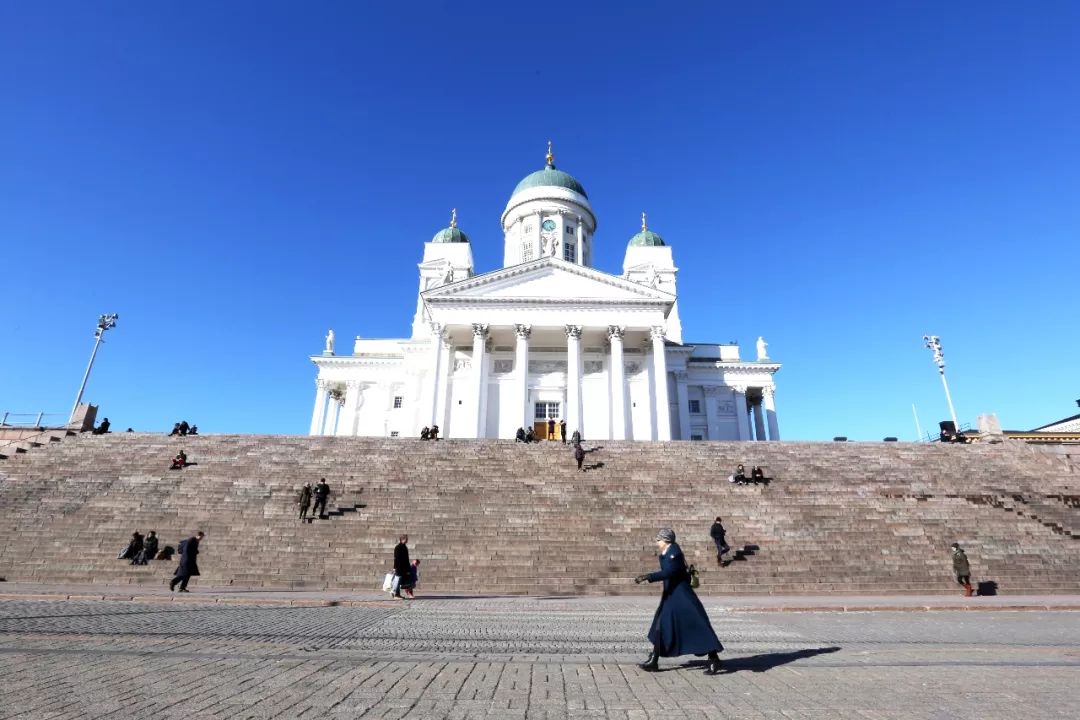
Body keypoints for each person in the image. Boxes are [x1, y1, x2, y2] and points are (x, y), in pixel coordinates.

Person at [634, 528, 723, 674]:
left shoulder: (674, 553)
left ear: (666, 540)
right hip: (672, 597)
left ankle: (713, 658)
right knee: (660, 626)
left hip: (682, 598)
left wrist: (648, 577)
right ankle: (654, 659)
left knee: (697, 626)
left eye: (659, 539)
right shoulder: (668, 552)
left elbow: (670, 572)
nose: (657, 542)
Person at [391, 534, 410, 599]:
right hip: (399, 568)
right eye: (406, 539)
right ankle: (396, 594)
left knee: (398, 581)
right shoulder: (398, 547)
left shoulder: (404, 547)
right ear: (403, 539)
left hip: (403, 568)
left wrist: (408, 568)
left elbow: (406, 559)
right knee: (397, 581)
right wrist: (395, 568)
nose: (407, 540)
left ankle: (397, 594)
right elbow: (396, 558)